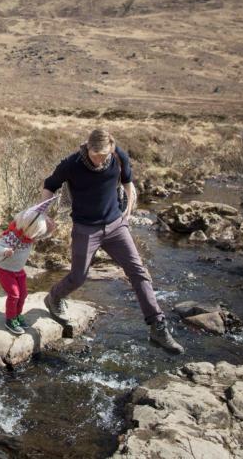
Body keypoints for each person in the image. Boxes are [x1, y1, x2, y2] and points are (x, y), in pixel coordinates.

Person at [40, 129, 185, 354]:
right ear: (87, 147)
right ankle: (54, 297)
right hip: (86, 228)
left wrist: (128, 206)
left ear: (111, 148)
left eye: (103, 155)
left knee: (138, 271)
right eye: (95, 154)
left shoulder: (118, 156)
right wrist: (43, 213)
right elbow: (50, 185)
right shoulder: (72, 163)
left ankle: (158, 327)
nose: (99, 160)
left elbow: (128, 181)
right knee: (78, 277)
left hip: (116, 226)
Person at [0, 204, 56, 335]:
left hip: (19, 270)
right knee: (14, 294)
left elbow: (44, 233)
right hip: (4, 269)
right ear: (29, 228)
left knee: (23, 294)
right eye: (37, 233)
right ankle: (10, 319)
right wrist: (5, 251)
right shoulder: (12, 237)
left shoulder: (29, 238)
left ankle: (17, 315)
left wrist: (50, 226)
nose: (37, 236)